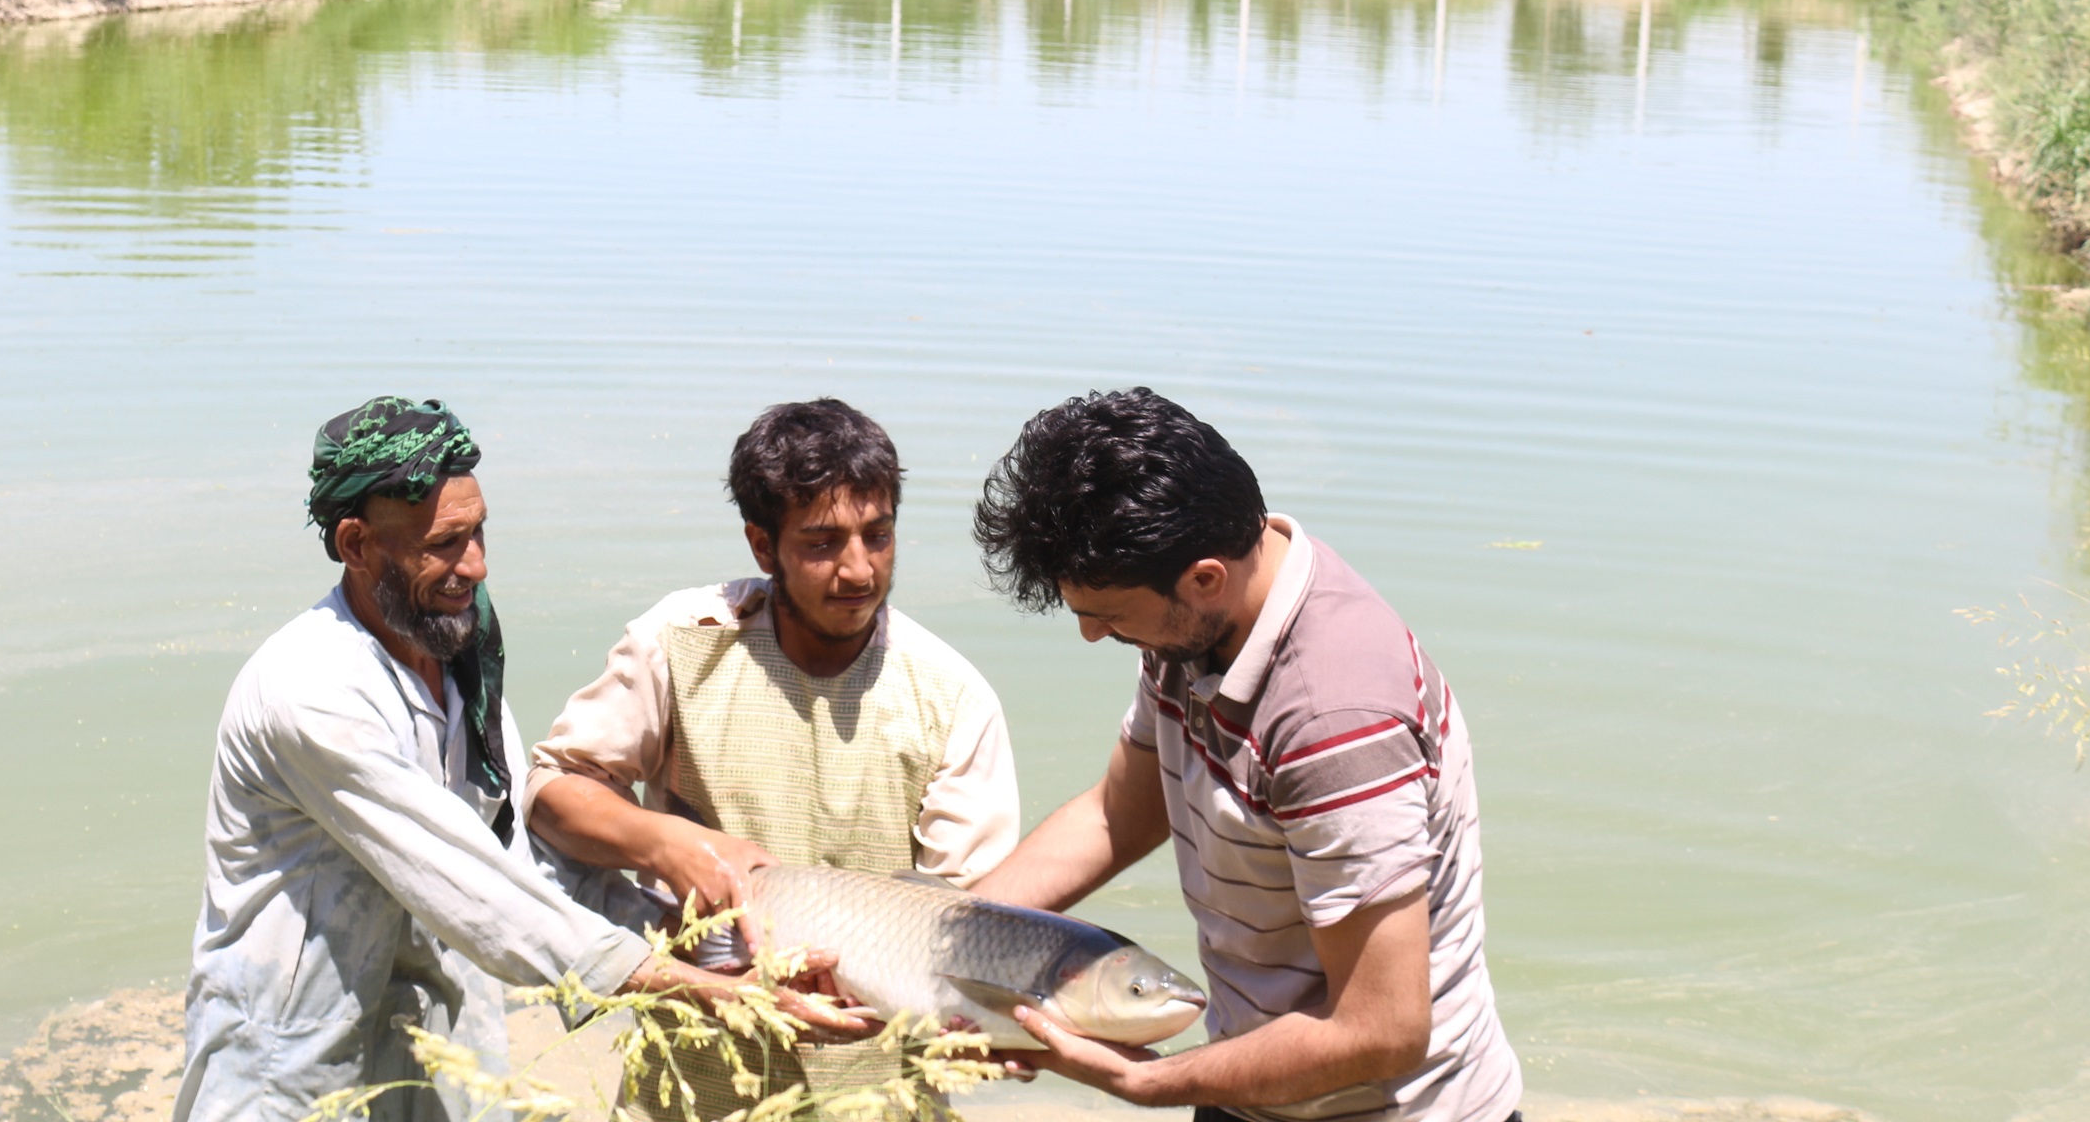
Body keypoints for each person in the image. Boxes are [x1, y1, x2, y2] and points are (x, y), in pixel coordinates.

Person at [175, 397, 847, 1122]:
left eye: (480, 531)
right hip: (289, 1068)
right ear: (356, 544)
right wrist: (680, 986)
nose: (477, 564)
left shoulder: (458, 654)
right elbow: (471, 888)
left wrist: (699, 947)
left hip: (437, 1053)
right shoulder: (311, 692)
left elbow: (517, 858)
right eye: (444, 543)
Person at [964, 389, 1522, 1122]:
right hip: (1256, 1084)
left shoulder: (1334, 720)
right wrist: (942, 933)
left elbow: (1383, 1030)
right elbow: (1116, 816)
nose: (1093, 635)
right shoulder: (1195, 624)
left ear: (1203, 579)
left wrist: (1147, 1082)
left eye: (1106, 613)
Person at [525, 397, 1020, 1120]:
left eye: (877, 536)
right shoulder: (681, 642)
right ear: (763, 546)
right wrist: (672, 842)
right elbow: (554, 789)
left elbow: (971, 916)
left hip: (880, 1082)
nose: (858, 571)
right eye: (822, 543)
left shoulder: (949, 696)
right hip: (695, 1070)